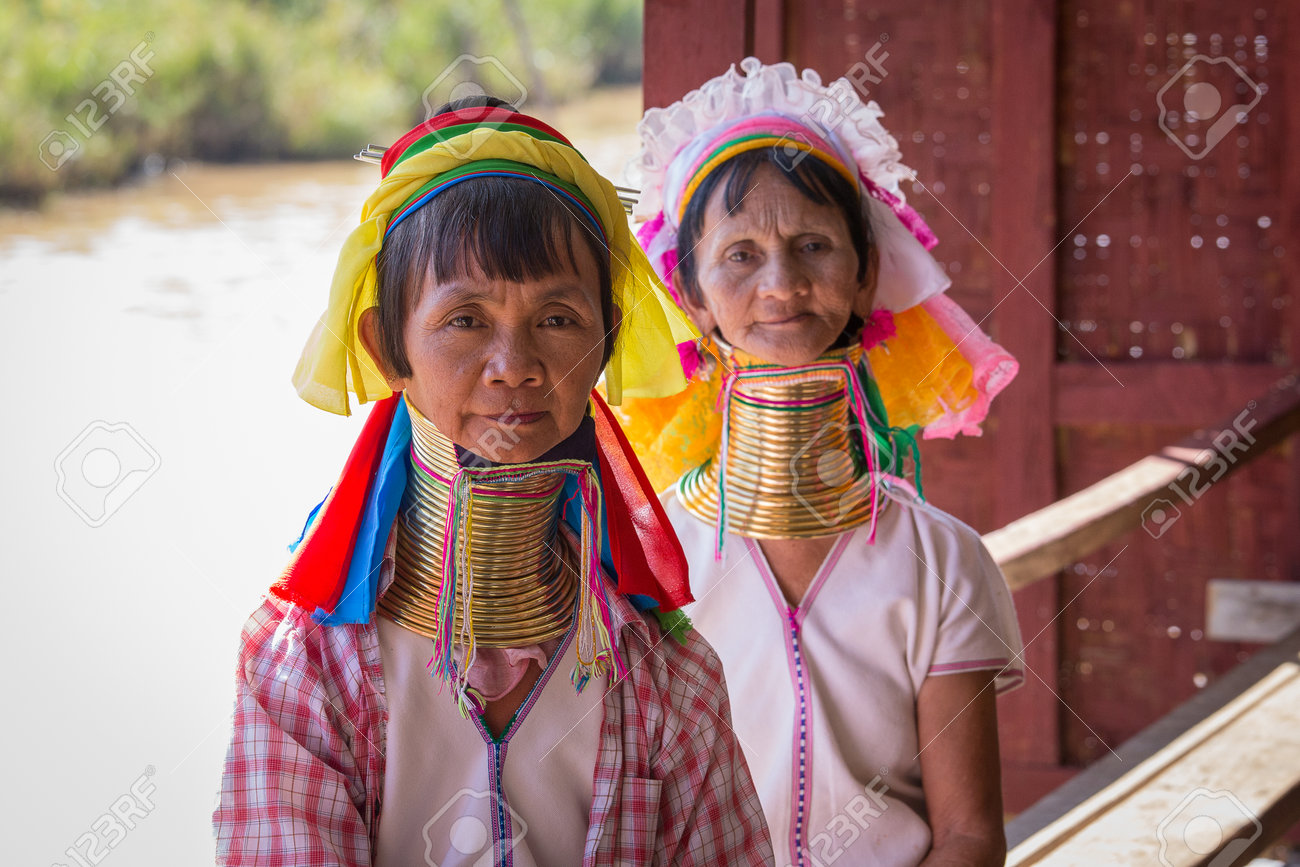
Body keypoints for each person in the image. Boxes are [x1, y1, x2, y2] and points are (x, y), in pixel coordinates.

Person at [213, 99, 773, 866]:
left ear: (605, 341)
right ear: (386, 347)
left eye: (557, 319)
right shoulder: (306, 672)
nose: (516, 365)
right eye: (466, 320)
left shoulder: (666, 680)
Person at [617, 58, 1025, 867]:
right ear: (689, 293)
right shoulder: (650, 561)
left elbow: (971, 835)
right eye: (739, 255)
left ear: (866, 273)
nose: (783, 284)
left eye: (813, 244)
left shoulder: (942, 562)